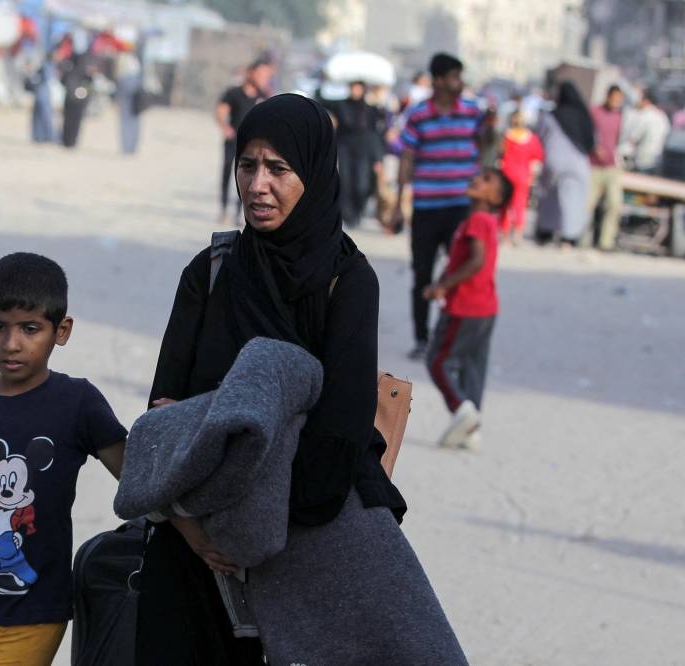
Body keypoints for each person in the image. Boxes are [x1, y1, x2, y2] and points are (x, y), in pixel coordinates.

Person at [138, 93, 466, 666]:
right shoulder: (210, 272)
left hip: (304, 541)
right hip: (192, 543)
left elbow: (336, 436)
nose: (257, 185)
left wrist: (250, 526)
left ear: (313, 173)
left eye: (279, 169)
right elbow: (161, 416)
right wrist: (193, 529)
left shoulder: (348, 282)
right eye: (247, 165)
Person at [0, 253, 127, 666]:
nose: (11, 343)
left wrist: (193, 532)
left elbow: (137, 477)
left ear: (61, 331)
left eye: (30, 329)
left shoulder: (77, 403)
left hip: (36, 611)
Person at [391, 53, 485, 361]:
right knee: (423, 273)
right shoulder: (419, 115)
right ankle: (422, 338)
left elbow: (485, 148)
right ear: (439, 81)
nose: (460, 83)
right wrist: (397, 202)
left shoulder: (472, 111)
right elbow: (407, 158)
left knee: (459, 272)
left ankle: (453, 337)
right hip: (427, 206)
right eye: (455, 77)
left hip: (461, 207)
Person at [424, 168, 513, 451]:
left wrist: (443, 286)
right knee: (473, 367)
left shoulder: (477, 220)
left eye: (486, 181)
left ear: (496, 197)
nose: (477, 179)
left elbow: (476, 261)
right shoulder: (482, 220)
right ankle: (472, 430)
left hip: (466, 306)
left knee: (437, 360)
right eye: (479, 175)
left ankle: (462, 409)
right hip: (486, 307)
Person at [535, 81, 595, 248]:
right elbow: (591, 142)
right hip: (577, 163)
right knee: (573, 200)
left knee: (549, 198)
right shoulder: (584, 117)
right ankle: (569, 237)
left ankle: (546, 232)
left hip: (553, 161)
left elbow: (540, 135)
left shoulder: (550, 116)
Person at [215, 59, 272, 225]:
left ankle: (240, 212)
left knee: (248, 177)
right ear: (251, 72)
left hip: (252, 144)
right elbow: (221, 111)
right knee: (227, 171)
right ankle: (223, 208)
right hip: (233, 140)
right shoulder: (234, 93)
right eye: (261, 74)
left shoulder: (264, 96)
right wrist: (225, 127)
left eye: (266, 75)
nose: (263, 78)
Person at [323, 80, 385, 228]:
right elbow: (321, 100)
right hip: (345, 147)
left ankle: (358, 210)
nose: (355, 91)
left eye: (358, 88)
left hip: (364, 149)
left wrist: (378, 158)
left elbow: (376, 133)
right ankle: (347, 215)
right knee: (345, 182)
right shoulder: (341, 105)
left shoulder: (371, 109)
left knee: (361, 184)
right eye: (352, 87)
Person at [584, 85, 624, 250]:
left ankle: (605, 242)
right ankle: (582, 239)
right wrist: (594, 146)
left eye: (619, 99)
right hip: (593, 165)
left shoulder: (621, 117)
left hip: (611, 167)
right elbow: (585, 132)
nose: (616, 101)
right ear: (607, 96)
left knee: (614, 204)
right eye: (614, 98)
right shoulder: (595, 112)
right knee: (587, 205)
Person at [500, 111, 544, 245]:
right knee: (519, 204)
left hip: (507, 172)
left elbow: (501, 154)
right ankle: (517, 234)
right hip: (523, 174)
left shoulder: (507, 136)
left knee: (505, 204)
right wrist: (533, 176)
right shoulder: (531, 138)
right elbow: (536, 158)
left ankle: (505, 233)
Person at [625, 88, 670, 175]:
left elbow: (633, 139)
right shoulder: (663, 117)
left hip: (640, 161)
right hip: (656, 161)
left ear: (646, 100)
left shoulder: (644, 115)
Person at [113, 45, 143, 155]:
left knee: (127, 119)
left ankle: (127, 148)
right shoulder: (135, 60)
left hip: (128, 89)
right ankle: (130, 148)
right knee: (132, 120)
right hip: (133, 90)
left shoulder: (124, 59)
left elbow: (118, 76)